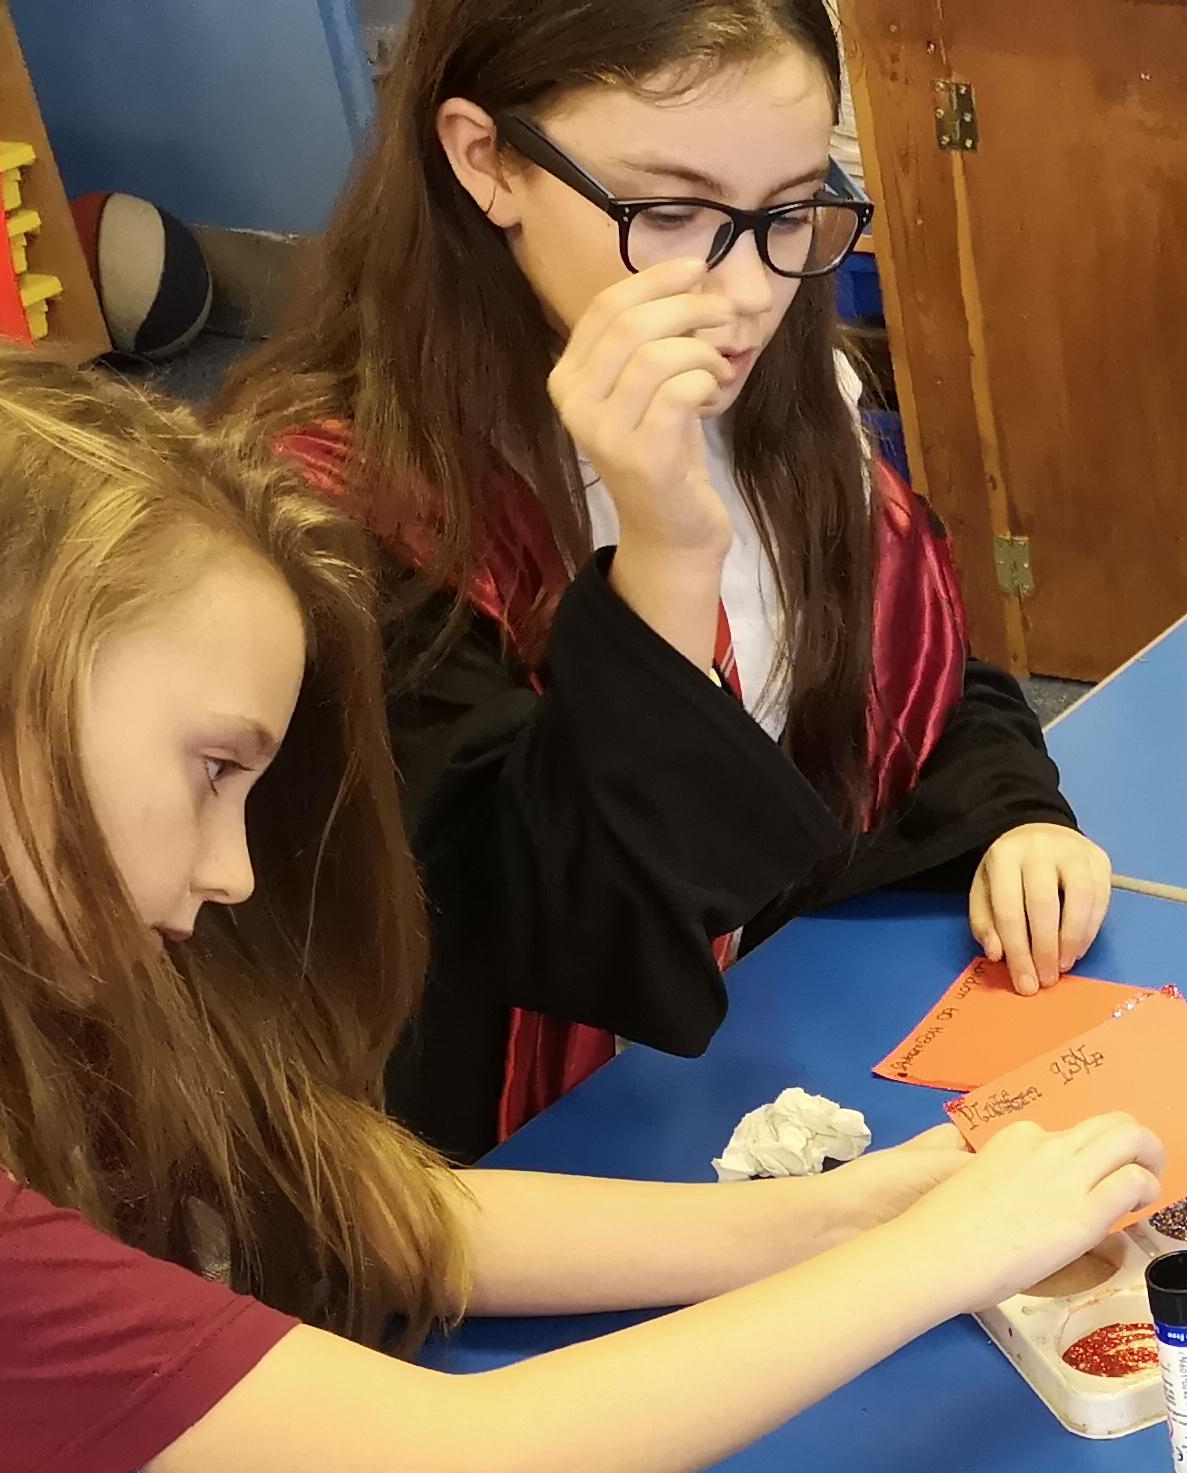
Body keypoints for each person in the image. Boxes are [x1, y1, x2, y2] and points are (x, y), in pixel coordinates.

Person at [0, 345, 1161, 1473]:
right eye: (210, 768)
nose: (234, 870)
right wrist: (941, 1258)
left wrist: (843, 1214)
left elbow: (361, 1203)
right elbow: (475, 1470)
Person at [226, 0, 1109, 1162]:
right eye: (672, 213)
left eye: (788, 209)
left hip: (777, 1044)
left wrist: (1009, 813)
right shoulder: (333, 517)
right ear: (486, 160)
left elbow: (899, 673)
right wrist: (668, 552)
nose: (744, 292)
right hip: (522, 1157)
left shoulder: (777, 387)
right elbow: (569, 927)